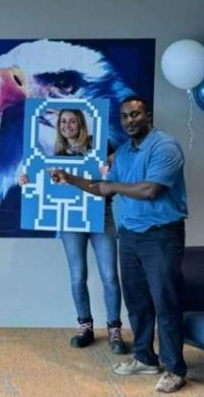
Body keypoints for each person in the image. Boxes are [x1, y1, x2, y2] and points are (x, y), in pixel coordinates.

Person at [51, 96, 188, 393]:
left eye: (135, 114)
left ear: (148, 116)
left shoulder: (165, 146)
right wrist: (69, 178)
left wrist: (112, 185)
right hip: (129, 236)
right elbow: (101, 188)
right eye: (125, 116)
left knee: (165, 302)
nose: (129, 120)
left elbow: (151, 190)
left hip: (161, 235)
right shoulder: (123, 153)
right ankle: (144, 358)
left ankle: (174, 368)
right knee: (137, 302)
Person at [19, 109, 126, 354]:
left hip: (100, 215)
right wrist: (26, 180)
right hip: (70, 219)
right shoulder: (54, 154)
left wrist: (110, 165)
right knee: (78, 275)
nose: (67, 125)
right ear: (58, 126)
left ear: (81, 123)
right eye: (63, 121)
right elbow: (40, 184)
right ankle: (85, 325)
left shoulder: (99, 146)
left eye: (72, 121)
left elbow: (116, 172)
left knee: (110, 275)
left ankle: (114, 328)